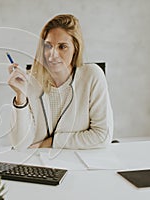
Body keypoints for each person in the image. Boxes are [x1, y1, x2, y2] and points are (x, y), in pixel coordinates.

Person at [8, 14, 113, 149]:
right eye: (48, 46)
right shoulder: (30, 80)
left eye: (62, 47)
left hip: (78, 163)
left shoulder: (92, 75)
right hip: (39, 165)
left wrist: (51, 143)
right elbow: (19, 145)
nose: (53, 54)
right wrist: (20, 97)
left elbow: (102, 136)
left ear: (75, 48)